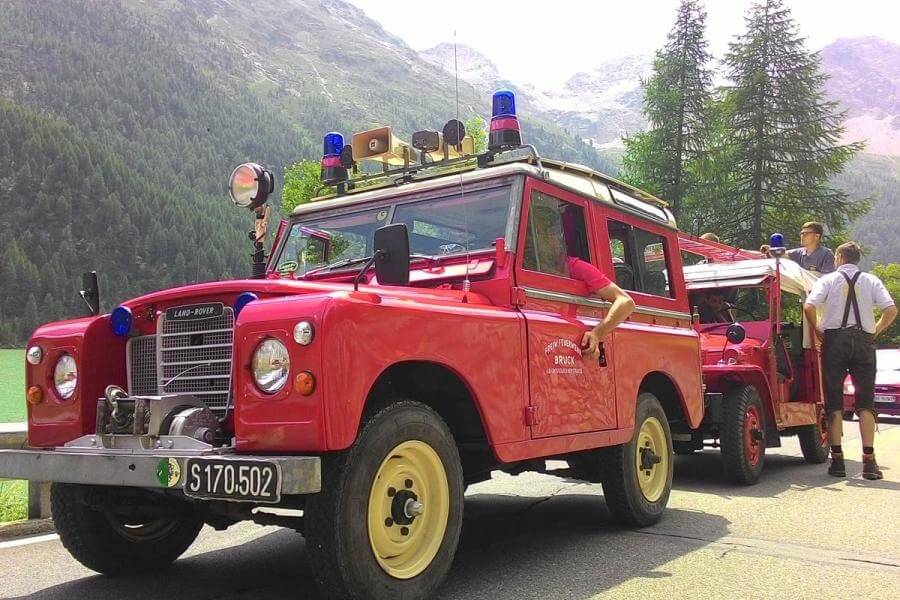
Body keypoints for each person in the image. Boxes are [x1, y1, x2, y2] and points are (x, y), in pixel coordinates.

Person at [803, 242, 897, 480]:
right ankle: (869, 461)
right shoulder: (871, 280)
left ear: (839, 257)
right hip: (864, 340)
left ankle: (837, 461)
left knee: (834, 400)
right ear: (856, 259)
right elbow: (891, 310)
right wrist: (874, 331)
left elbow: (809, 306)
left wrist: (817, 329)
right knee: (866, 402)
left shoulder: (828, 280)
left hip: (834, 341)